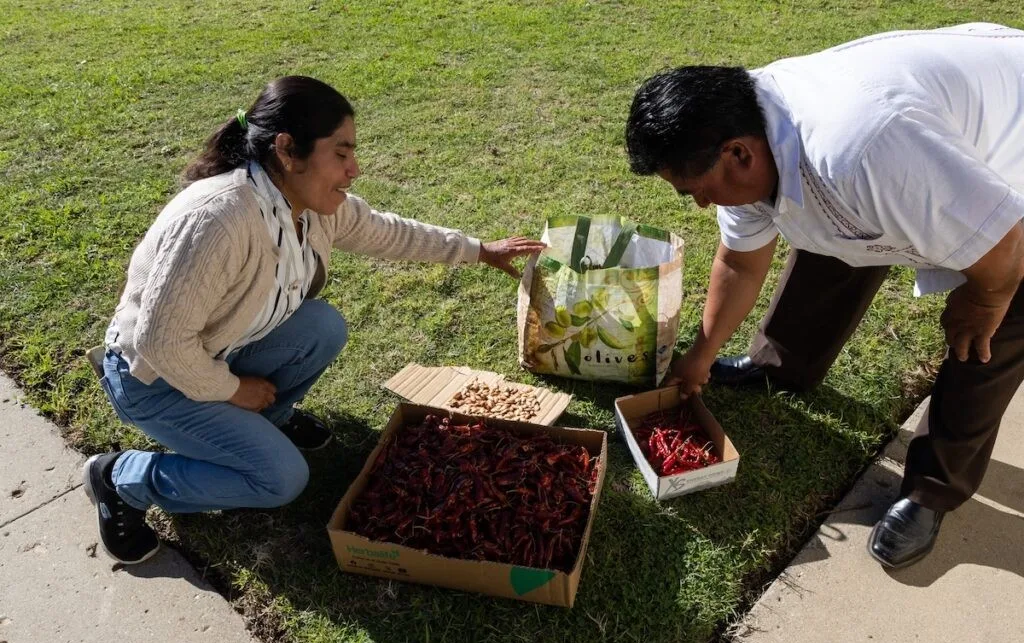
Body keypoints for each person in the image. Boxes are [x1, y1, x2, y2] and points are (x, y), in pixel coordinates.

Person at [85, 75, 545, 564]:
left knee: (322, 326)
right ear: (287, 149)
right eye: (342, 154)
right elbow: (161, 342)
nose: (354, 169)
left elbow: (386, 232)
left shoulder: (307, 205)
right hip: (154, 380)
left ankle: (269, 420)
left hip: (221, 351)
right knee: (279, 479)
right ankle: (122, 479)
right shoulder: (218, 219)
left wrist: (478, 251)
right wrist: (233, 390)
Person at [625, 23, 1024, 568]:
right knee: (831, 226)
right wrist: (702, 355)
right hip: (913, 152)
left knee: (986, 339)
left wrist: (984, 298)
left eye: (697, 191)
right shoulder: (750, 131)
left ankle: (931, 491)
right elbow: (740, 260)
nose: (700, 205)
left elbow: (1005, 241)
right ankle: (783, 363)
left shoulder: (862, 149)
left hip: (1010, 168)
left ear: (738, 154)